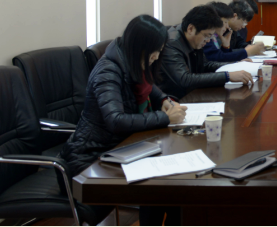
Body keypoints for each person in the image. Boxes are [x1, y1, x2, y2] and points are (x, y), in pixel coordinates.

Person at [58, 15, 187, 225]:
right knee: (158, 185)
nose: (157, 56)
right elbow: (116, 121)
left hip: (119, 148)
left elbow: (149, 87)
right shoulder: (108, 71)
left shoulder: (131, 62)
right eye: (155, 50)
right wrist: (164, 117)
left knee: (172, 181)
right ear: (140, 47)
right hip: (90, 157)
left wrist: (164, 100)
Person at [159, 5, 254, 99]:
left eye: (211, 36)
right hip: (175, 99)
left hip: (192, 93)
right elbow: (184, 79)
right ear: (191, 29)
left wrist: (234, 65)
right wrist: (227, 76)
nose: (208, 40)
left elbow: (205, 65)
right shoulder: (171, 43)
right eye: (207, 36)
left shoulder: (194, 39)